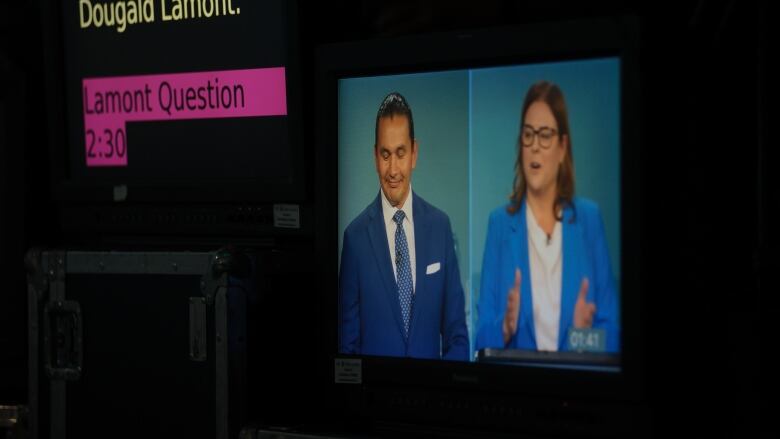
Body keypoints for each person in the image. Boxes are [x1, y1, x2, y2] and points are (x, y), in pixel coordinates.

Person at [475, 80, 619, 353]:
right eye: (528, 134)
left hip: (575, 389)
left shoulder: (589, 220)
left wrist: (581, 336)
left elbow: (613, 337)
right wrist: (505, 326)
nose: (535, 146)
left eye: (545, 135)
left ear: (562, 147)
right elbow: (481, 340)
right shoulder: (500, 225)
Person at [339, 92, 469, 360]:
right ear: (375, 156)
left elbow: (457, 335)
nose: (393, 169)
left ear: (414, 153)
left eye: (401, 153)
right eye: (386, 155)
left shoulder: (440, 228)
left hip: (433, 398)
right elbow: (346, 348)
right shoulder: (355, 238)